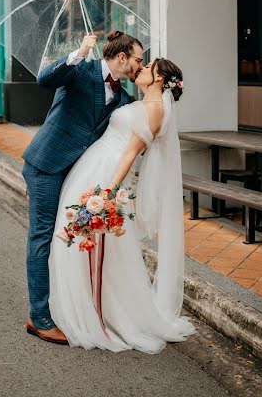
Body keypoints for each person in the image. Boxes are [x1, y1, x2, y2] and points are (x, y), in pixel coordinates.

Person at [48, 58, 195, 353]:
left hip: (107, 172)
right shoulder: (142, 103)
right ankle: (85, 305)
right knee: (86, 242)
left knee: (94, 243)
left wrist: (106, 192)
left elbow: (130, 154)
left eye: (147, 66)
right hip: (97, 164)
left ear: (159, 79)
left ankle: (97, 314)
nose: (140, 68)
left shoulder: (155, 110)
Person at [22, 31, 144, 343]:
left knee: (69, 240)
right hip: (47, 164)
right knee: (43, 236)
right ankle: (38, 317)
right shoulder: (82, 69)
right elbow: (45, 78)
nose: (140, 66)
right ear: (121, 58)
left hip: (78, 174)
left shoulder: (123, 98)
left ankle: (63, 306)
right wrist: (78, 52)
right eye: (138, 60)